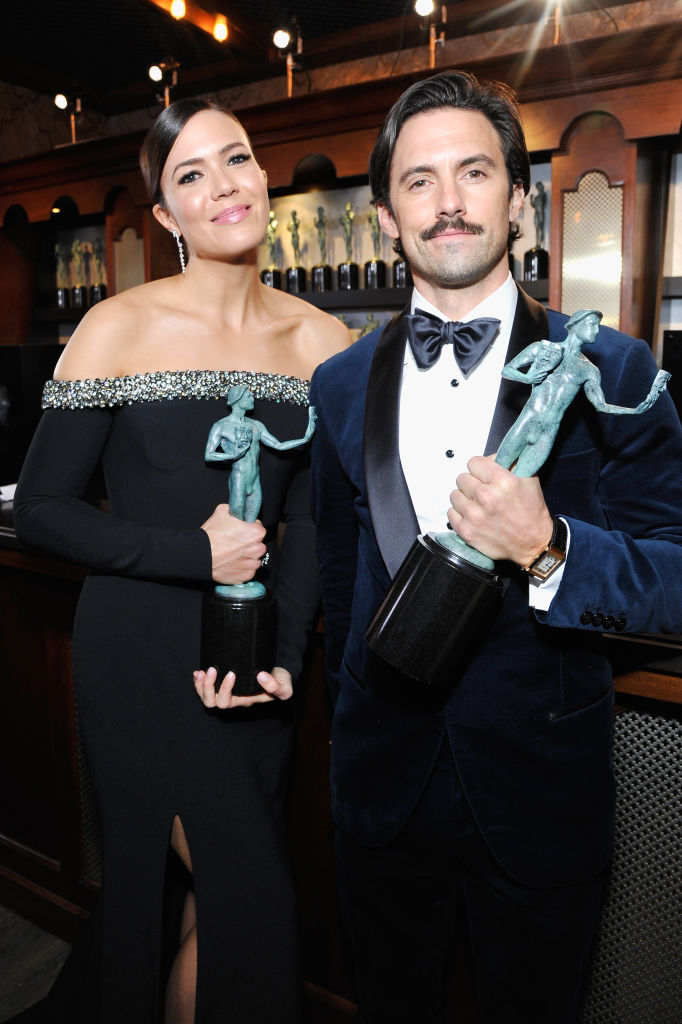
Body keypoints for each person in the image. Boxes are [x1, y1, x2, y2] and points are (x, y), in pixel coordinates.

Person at [309, 70, 682, 1024]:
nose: (448, 203)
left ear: (518, 197)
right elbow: (341, 587)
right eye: (418, 181)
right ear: (388, 215)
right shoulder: (339, 384)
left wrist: (552, 547)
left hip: (539, 795)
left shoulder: (613, 367)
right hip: (378, 794)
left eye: (473, 173)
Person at [14, 97, 349, 1024]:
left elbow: (319, 525)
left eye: (234, 159)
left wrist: (282, 652)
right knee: (249, 905)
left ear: (264, 175)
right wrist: (192, 552)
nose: (222, 186)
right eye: (190, 175)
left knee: (210, 902)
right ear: (165, 215)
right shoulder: (117, 327)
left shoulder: (326, 344)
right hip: (140, 653)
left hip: (257, 661)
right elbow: (41, 509)